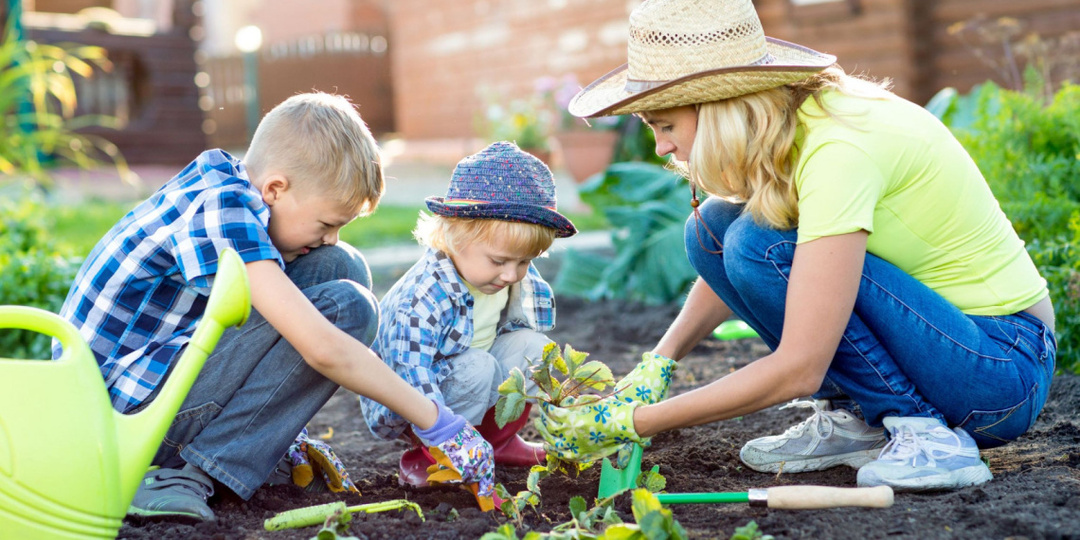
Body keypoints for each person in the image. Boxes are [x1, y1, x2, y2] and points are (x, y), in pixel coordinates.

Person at [536, 0, 1056, 492]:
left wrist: (632, 422)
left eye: (667, 125)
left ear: (720, 107)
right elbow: (734, 256)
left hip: (999, 373)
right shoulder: (795, 121)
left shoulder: (837, 148)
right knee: (713, 230)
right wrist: (658, 362)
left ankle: (924, 433)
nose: (662, 146)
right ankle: (860, 418)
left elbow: (799, 365)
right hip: (952, 350)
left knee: (757, 243)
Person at [54, 92, 494, 522]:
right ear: (276, 189)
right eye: (326, 223)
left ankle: (254, 447)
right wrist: (437, 423)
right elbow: (323, 348)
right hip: (122, 425)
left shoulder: (232, 187)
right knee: (346, 310)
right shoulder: (220, 210)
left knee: (338, 266)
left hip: (154, 382)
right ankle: (188, 472)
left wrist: (284, 429)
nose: (330, 236)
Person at [360, 141, 578, 489]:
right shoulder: (423, 295)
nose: (511, 275)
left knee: (536, 349)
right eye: (499, 261)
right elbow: (409, 375)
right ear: (453, 236)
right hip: (419, 399)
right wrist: (437, 430)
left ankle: (498, 442)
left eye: (524, 261)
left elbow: (524, 345)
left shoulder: (504, 273)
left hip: (475, 375)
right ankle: (433, 456)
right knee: (478, 367)